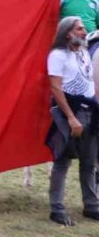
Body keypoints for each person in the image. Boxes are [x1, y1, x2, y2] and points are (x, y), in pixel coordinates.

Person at [46, 16, 99, 225]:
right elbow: (55, 87)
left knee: (89, 161)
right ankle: (56, 208)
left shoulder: (85, 52)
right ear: (68, 32)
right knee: (62, 161)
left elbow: (89, 82)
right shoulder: (58, 55)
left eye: (84, 29)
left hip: (90, 111)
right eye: (79, 29)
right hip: (70, 111)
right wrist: (70, 118)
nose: (84, 32)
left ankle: (92, 205)